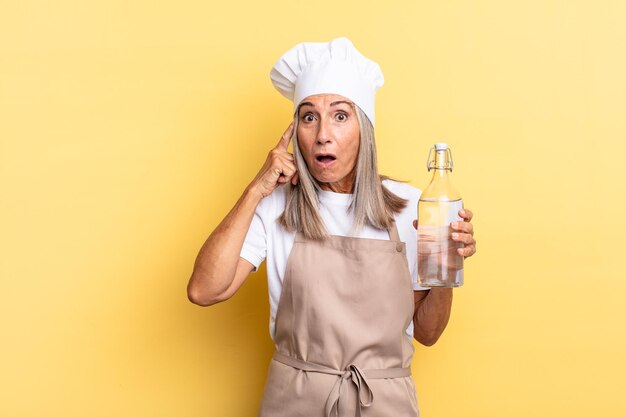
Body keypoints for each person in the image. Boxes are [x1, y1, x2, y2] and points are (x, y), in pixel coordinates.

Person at [187, 37, 477, 417]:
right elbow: (204, 290)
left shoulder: (410, 209)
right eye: (309, 117)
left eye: (340, 116)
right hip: (294, 403)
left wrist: (447, 267)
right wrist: (255, 190)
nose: (323, 133)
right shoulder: (275, 206)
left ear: (365, 129)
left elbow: (428, 332)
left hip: (384, 406)